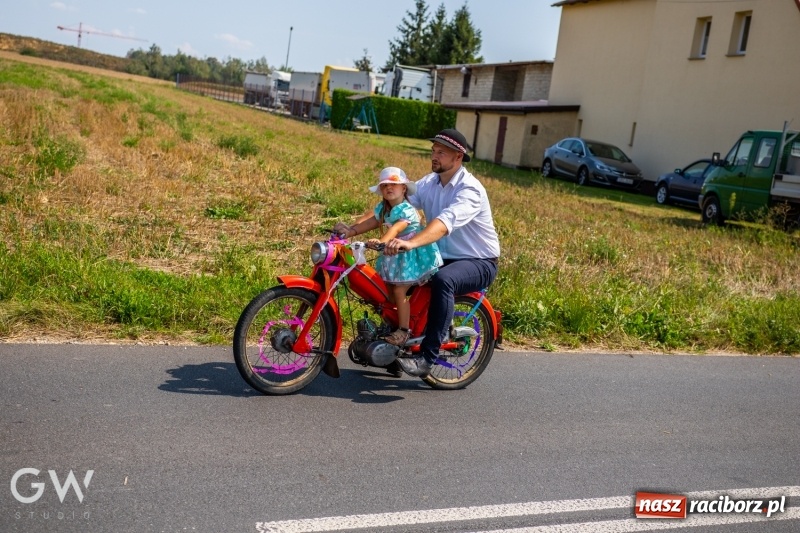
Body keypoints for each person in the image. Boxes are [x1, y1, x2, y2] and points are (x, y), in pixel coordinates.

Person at [384, 128, 501, 377]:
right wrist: (354, 228)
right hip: (442, 256)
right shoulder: (429, 182)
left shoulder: (470, 190)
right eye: (433, 151)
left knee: (444, 280)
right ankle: (397, 344)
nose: (434, 157)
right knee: (398, 276)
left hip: (478, 260)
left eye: (441, 153)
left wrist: (412, 243)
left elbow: (445, 222)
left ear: (458, 157)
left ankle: (427, 357)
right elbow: (401, 207)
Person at [336, 167, 443, 347]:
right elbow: (371, 222)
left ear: (404, 188)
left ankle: (403, 331)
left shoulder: (407, 210)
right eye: (384, 185)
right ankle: (391, 325)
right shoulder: (384, 208)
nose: (388, 188)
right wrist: (350, 231)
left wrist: (381, 241)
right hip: (394, 254)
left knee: (400, 290)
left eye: (394, 184)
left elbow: (396, 229)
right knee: (385, 292)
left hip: (411, 255)